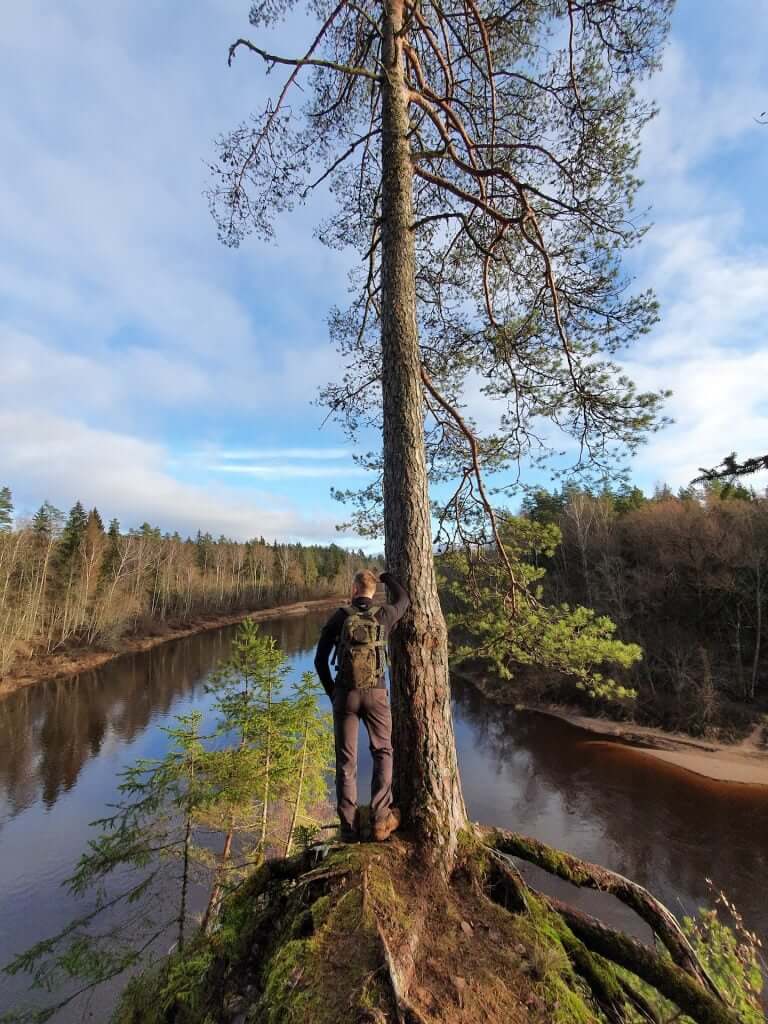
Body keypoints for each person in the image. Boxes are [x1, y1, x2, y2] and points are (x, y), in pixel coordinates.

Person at [314, 569, 410, 843]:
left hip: (346, 696)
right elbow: (405, 600)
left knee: (346, 761)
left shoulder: (340, 617)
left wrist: (333, 693)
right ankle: (381, 819)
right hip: (377, 695)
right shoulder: (384, 614)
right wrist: (389, 578)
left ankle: (348, 828)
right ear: (372, 592)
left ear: (354, 589)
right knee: (382, 751)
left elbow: (320, 661)